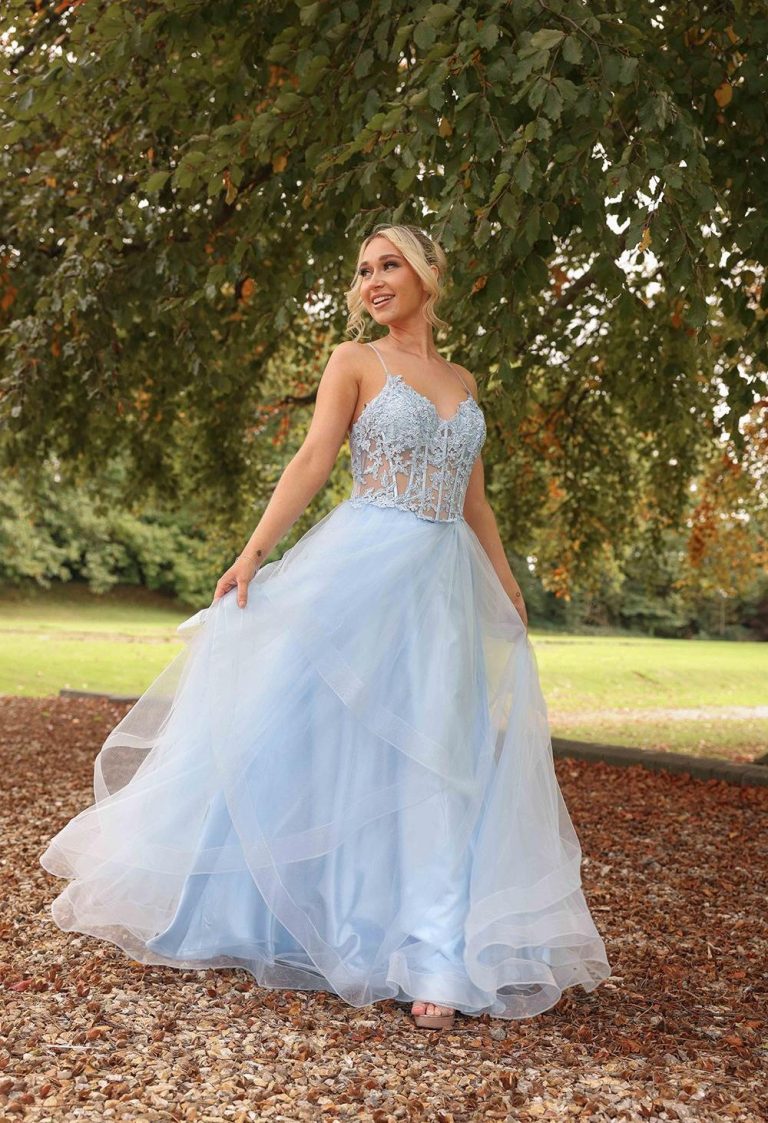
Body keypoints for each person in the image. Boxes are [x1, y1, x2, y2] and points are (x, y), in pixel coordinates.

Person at [40, 223, 611, 1032]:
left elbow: (474, 500)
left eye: (389, 265)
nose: (374, 281)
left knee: (441, 756)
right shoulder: (354, 362)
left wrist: (509, 588)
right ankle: (289, 915)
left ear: (426, 274)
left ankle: (435, 953)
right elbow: (312, 459)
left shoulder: (464, 379)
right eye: (364, 270)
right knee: (326, 738)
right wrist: (253, 551)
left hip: (446, 586)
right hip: (365, 567)